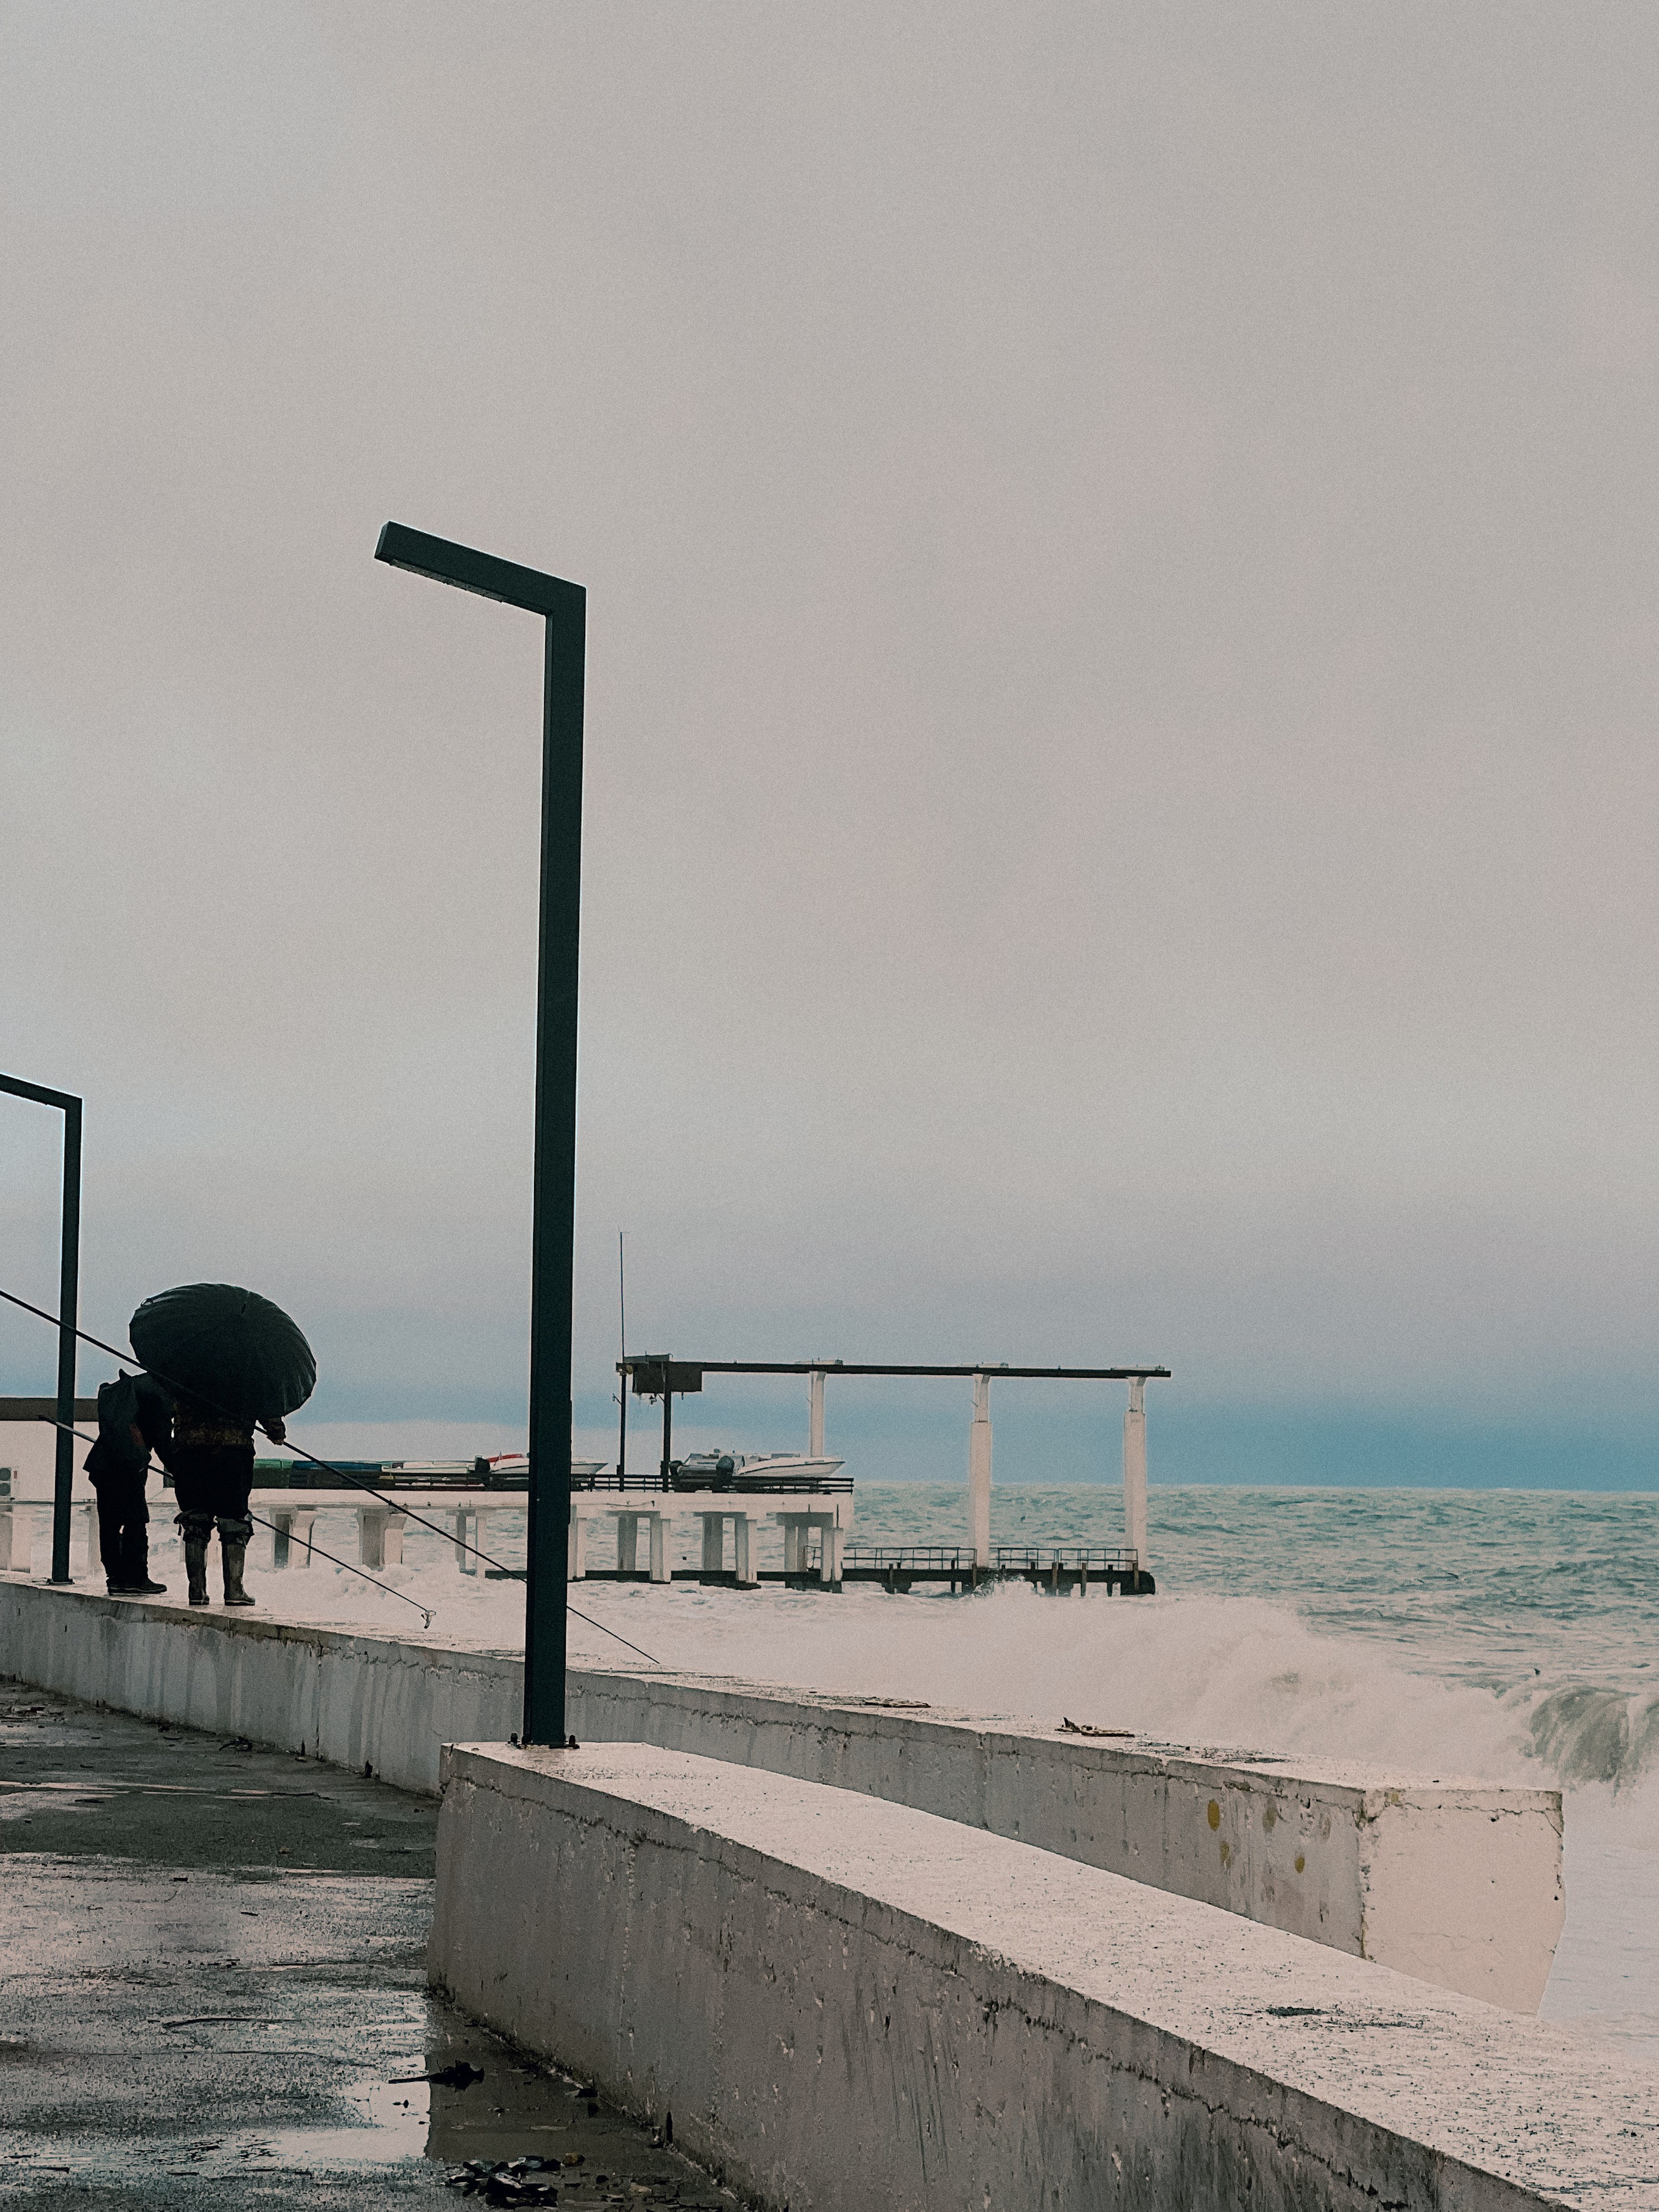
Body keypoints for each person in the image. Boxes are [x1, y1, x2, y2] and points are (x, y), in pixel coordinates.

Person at [168, 1391, 284, 1607]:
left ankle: (196, 1591)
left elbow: (165, 1404)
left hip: (189, 1451)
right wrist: (276, 1431)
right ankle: (234, 1590)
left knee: (195, 1519)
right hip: (233, 1451)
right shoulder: (246, 1369)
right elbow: (266, 1403)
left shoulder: (184, 1366)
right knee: (234, 1519)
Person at [84, 1371, 173, 1596]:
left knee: (110, 1522)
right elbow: (166, 1450)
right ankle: (137, 1578)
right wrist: (188, 1476)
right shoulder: (160, 1401)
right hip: (129, 1466)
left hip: (102, 1465)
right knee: (136, 1520)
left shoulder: (133, 1389)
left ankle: (115, 1579)